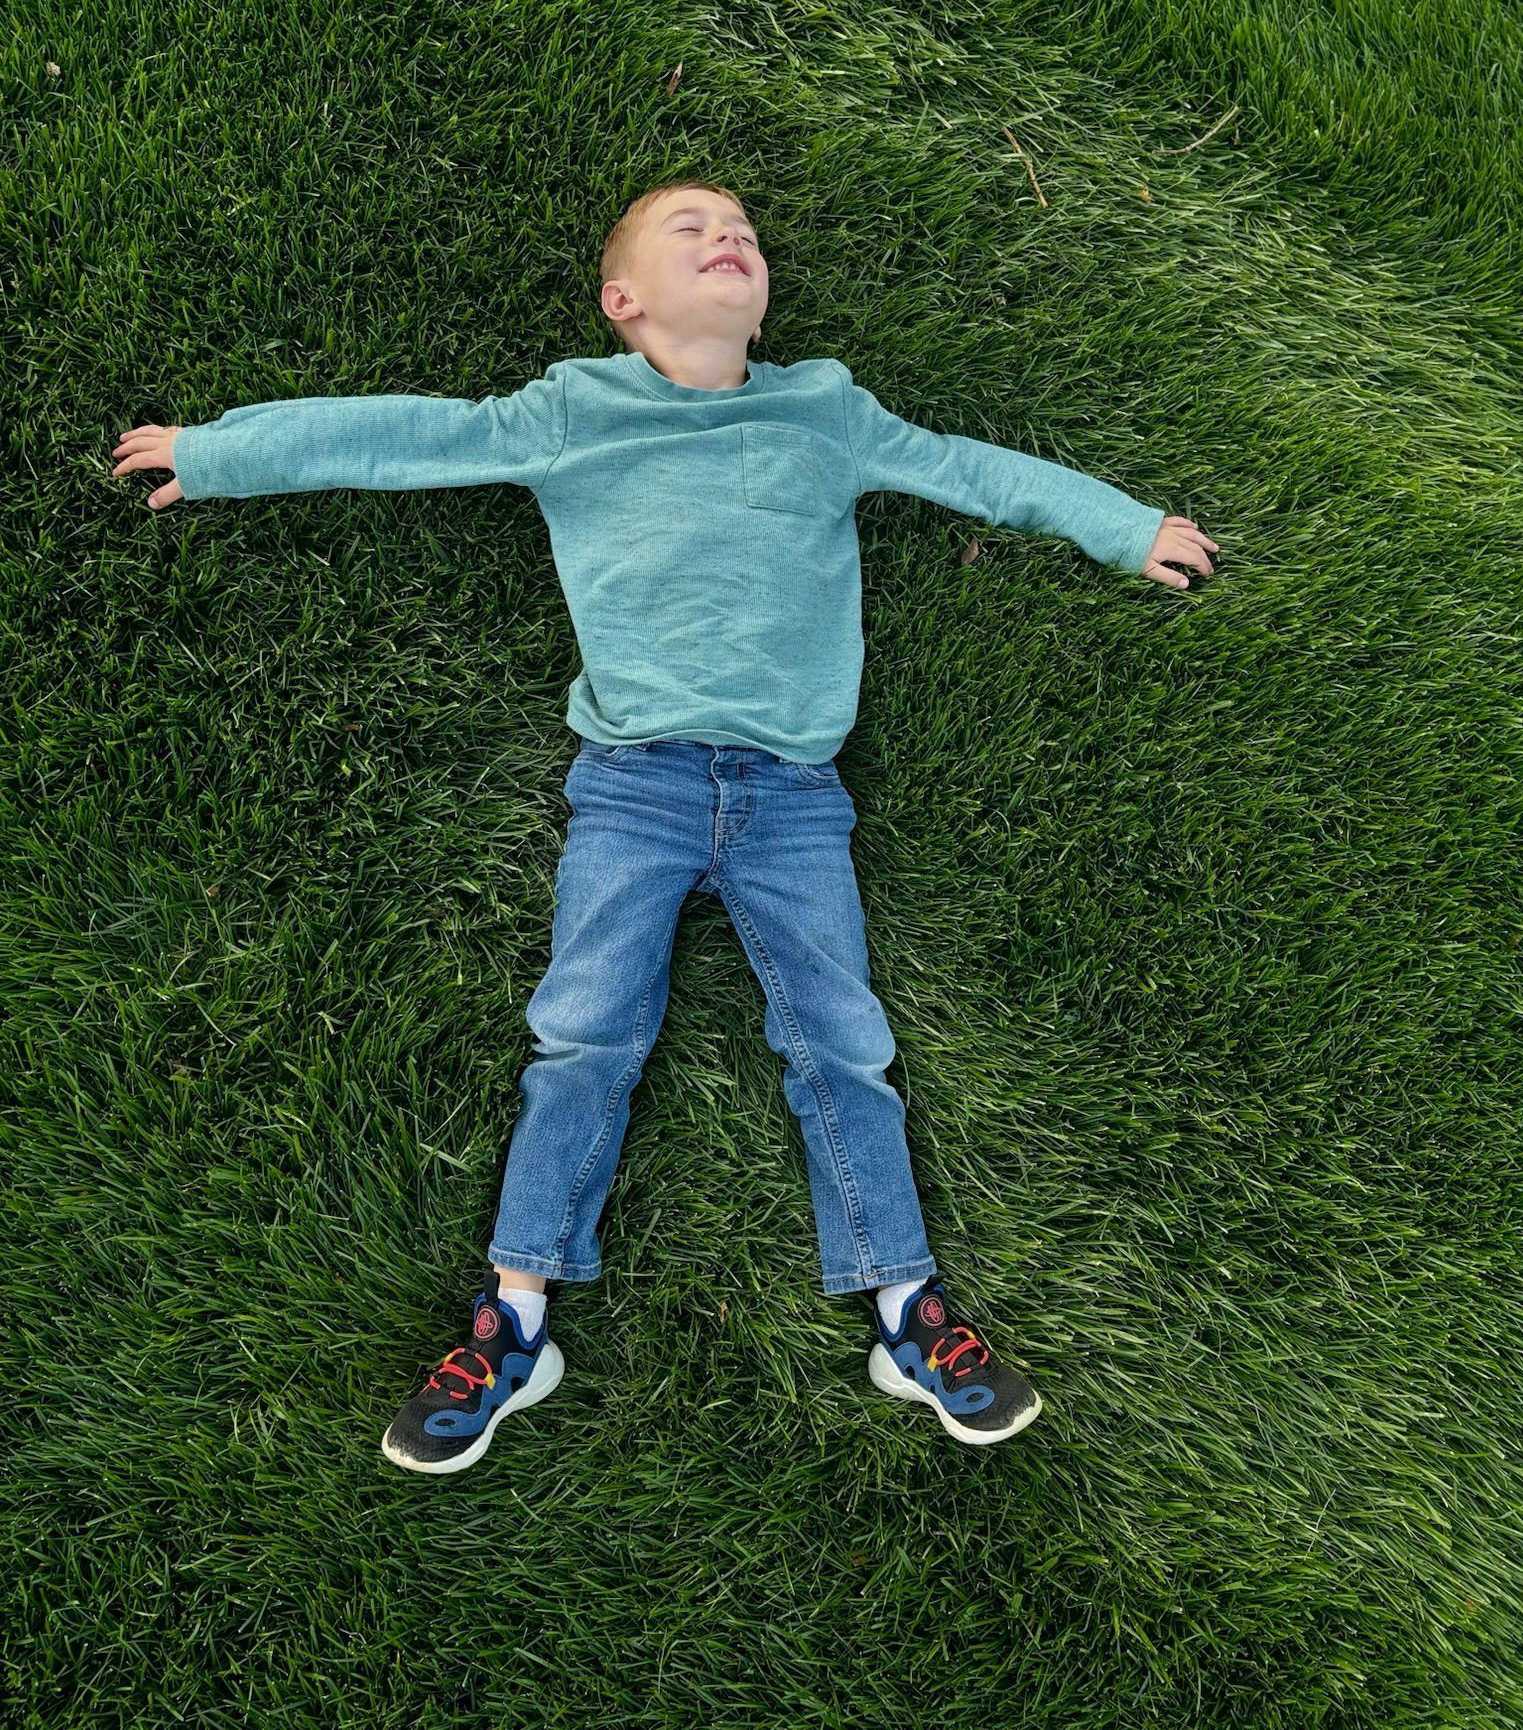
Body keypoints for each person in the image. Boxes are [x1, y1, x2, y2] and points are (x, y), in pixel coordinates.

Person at [111, 178, 1218, 1473]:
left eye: (740, 228)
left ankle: (907, 1313)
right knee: (582, 1039)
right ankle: (514, 1322)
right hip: (632, 787)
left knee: (844, 1047)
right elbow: (407, 438)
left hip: (796, 798)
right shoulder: (576, 411)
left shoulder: (825, 411)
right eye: (689, 231)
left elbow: (966, 470)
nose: (727, 236)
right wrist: (217, 451)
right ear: (624, 303)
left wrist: (1122, 524)